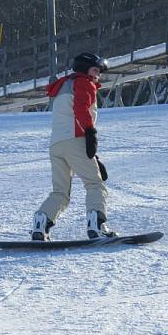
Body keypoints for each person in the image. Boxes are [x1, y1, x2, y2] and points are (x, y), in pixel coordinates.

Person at [31, 52, 117, 241]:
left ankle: (41, 222)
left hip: (57, 144)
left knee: (60, 191)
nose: (98, 75)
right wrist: (90, 133)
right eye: (95, 70)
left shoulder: (63, 85)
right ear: (84, 69)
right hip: (76, 138)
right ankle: (97, 226)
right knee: (95, 184)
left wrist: (93, 155)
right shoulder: (84, 82)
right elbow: (80, 109)